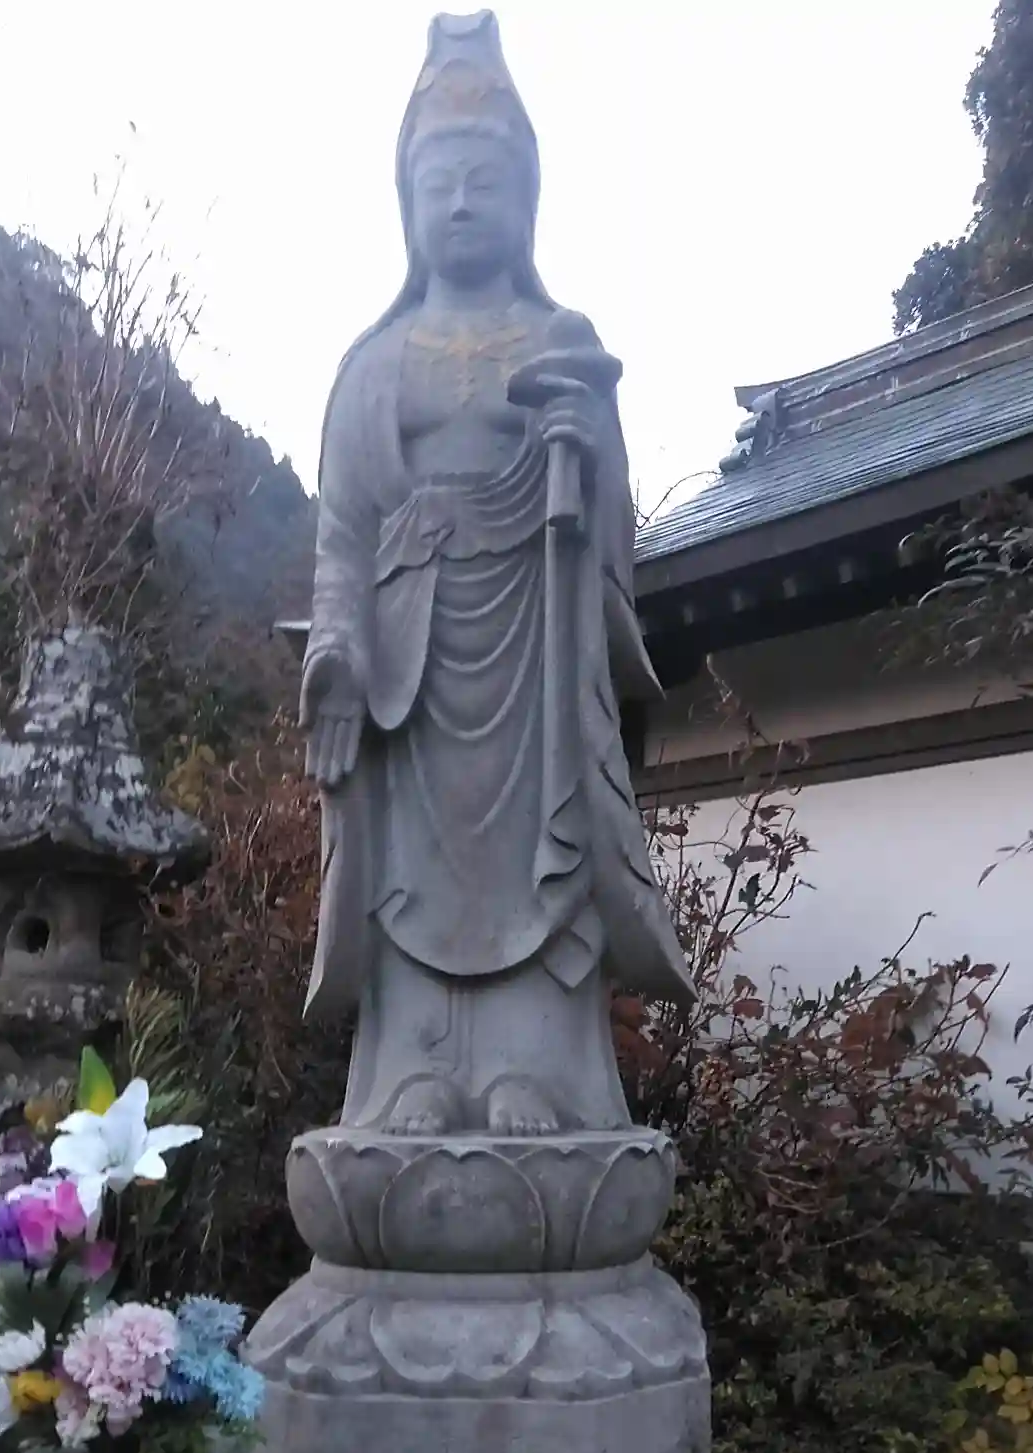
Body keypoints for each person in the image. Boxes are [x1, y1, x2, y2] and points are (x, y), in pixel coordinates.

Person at [301, 10, 693, 1140]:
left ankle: (537, 1075)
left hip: (535, 647)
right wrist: (336, 651)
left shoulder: (559, 335)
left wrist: (587, 444)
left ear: (526, 196)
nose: (462, 201)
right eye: (439, 183)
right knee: (411, 878)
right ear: (407, 205)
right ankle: (415, 1076)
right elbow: (342, 539)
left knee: (538, 863)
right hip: (410, 669)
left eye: (485, 178)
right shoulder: (371, 365)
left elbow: (609, 519)